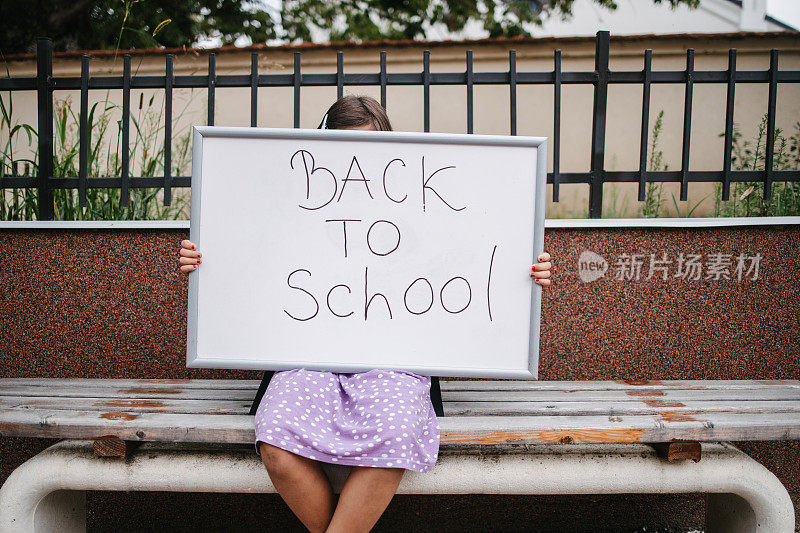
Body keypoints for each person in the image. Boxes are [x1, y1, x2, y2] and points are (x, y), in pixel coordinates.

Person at [178, 95, 553, 533]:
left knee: (396, 433)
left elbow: (473, 246)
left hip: (396, 361)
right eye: (341, 153)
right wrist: (205, 261)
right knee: (276, 435)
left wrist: (524, 272)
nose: (353, 166)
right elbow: (250, 248)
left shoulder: (418, 207)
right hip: (306, 356)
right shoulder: (291, 205)